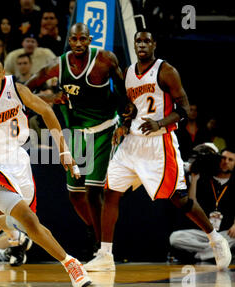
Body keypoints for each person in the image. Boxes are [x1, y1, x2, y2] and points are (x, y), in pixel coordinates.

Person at [84, 30, 232, 272]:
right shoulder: (130, 72)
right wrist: (125, 120)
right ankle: (105, 255)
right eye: (138, 41)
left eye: (146, 41)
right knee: (110, 192)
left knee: (179, 199)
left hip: (159, 143)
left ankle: (215, 238)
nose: (141, 45)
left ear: (154, 44)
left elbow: (183, 107)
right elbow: (134, 106)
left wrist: (159, 123)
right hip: (132, 143)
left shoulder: (166, 71)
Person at [0, 52, 91, 287]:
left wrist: (63, 151)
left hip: (16, 159)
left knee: (20, 222)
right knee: (30, 221)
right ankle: (71, 264)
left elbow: (47, 111)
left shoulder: (16, 89)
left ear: (3, 74)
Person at [26, 23, 134, 259]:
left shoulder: (105, 59)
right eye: (73, 39)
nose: (77, 44)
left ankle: (102, 247)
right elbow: (28, 87)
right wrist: (50, 97)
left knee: (94, 192)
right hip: (75, 133)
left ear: (90, 39)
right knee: (75, 194)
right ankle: (95, 232)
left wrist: (125, 123)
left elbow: (123, 94)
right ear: (69, 41)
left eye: (82, 39)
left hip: (104, 129)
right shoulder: (59, 65)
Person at [170, 147, 235, 262]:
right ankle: (216, 253)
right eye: (224, 158)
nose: (226, 162)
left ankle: (198, 256)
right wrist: (194, 179)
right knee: (175, 238)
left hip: (225, 233)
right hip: (203, 232)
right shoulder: (205, 178)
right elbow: (191, 203)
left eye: (230, 160)